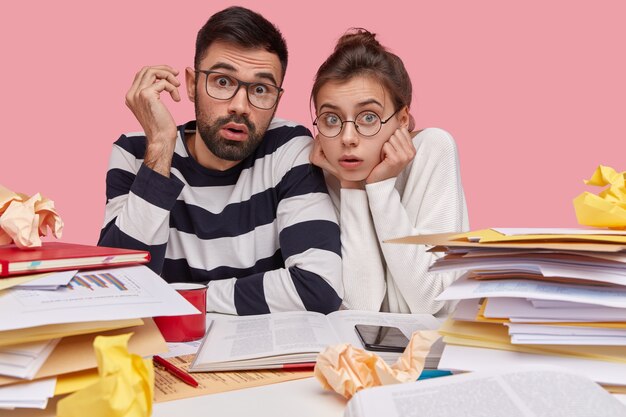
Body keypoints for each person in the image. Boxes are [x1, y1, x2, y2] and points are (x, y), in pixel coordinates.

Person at [98, 6, 342, 315]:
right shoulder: (136, 153)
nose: (240, 106)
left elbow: (319, 286)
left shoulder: (289, 148)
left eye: (261, 89)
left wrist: (185, 299)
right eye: (223, 82)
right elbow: (116, 288)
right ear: (190, 84)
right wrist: (160, 147)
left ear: (277, 100)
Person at [310, 29, 469, 316]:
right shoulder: (324, 171)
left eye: (368, 117)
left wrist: (381, 188)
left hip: (437, 351)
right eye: (331, 119)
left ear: (402, 119)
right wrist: (352, 186)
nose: (347, 137)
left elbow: (429, 300)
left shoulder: (434, 149)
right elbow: (364, 307)